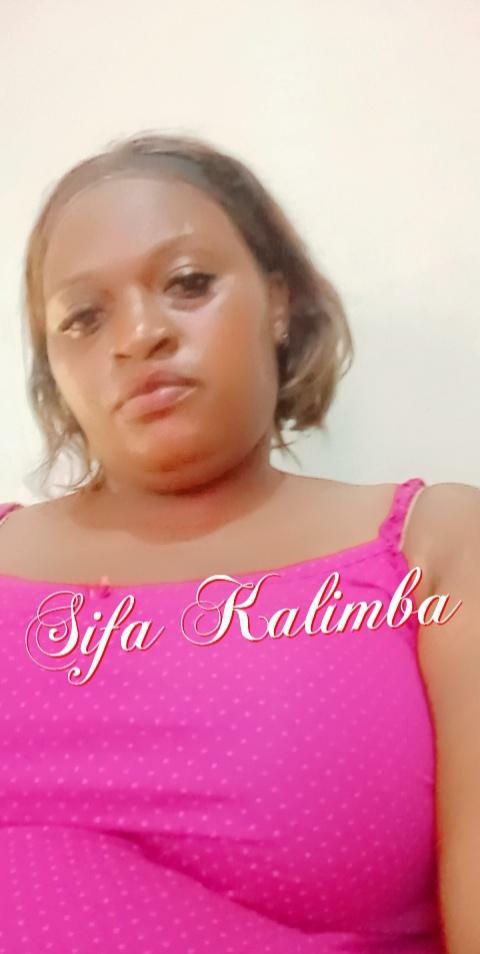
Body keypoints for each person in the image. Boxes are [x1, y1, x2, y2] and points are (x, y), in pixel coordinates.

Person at [0, 132, 478, 954]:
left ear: (279, 301)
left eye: (188, 283)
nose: (138, 335)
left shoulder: (434, 548)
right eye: (84, 317)